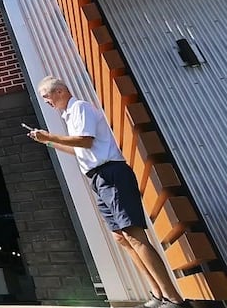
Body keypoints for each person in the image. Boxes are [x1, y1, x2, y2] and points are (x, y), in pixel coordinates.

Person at [30, 76, 188, 308]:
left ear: (61, 91)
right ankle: (157, 294)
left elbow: (84, 141)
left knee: (133, 234)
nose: (47, 102)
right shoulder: (70, 116)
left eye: (47, 97)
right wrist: (48, 143)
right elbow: (80, 150)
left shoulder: (81, 107)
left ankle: (174, 299)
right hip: (98, 178)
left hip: (112, 174)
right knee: (121, 238)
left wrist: (49, 136)